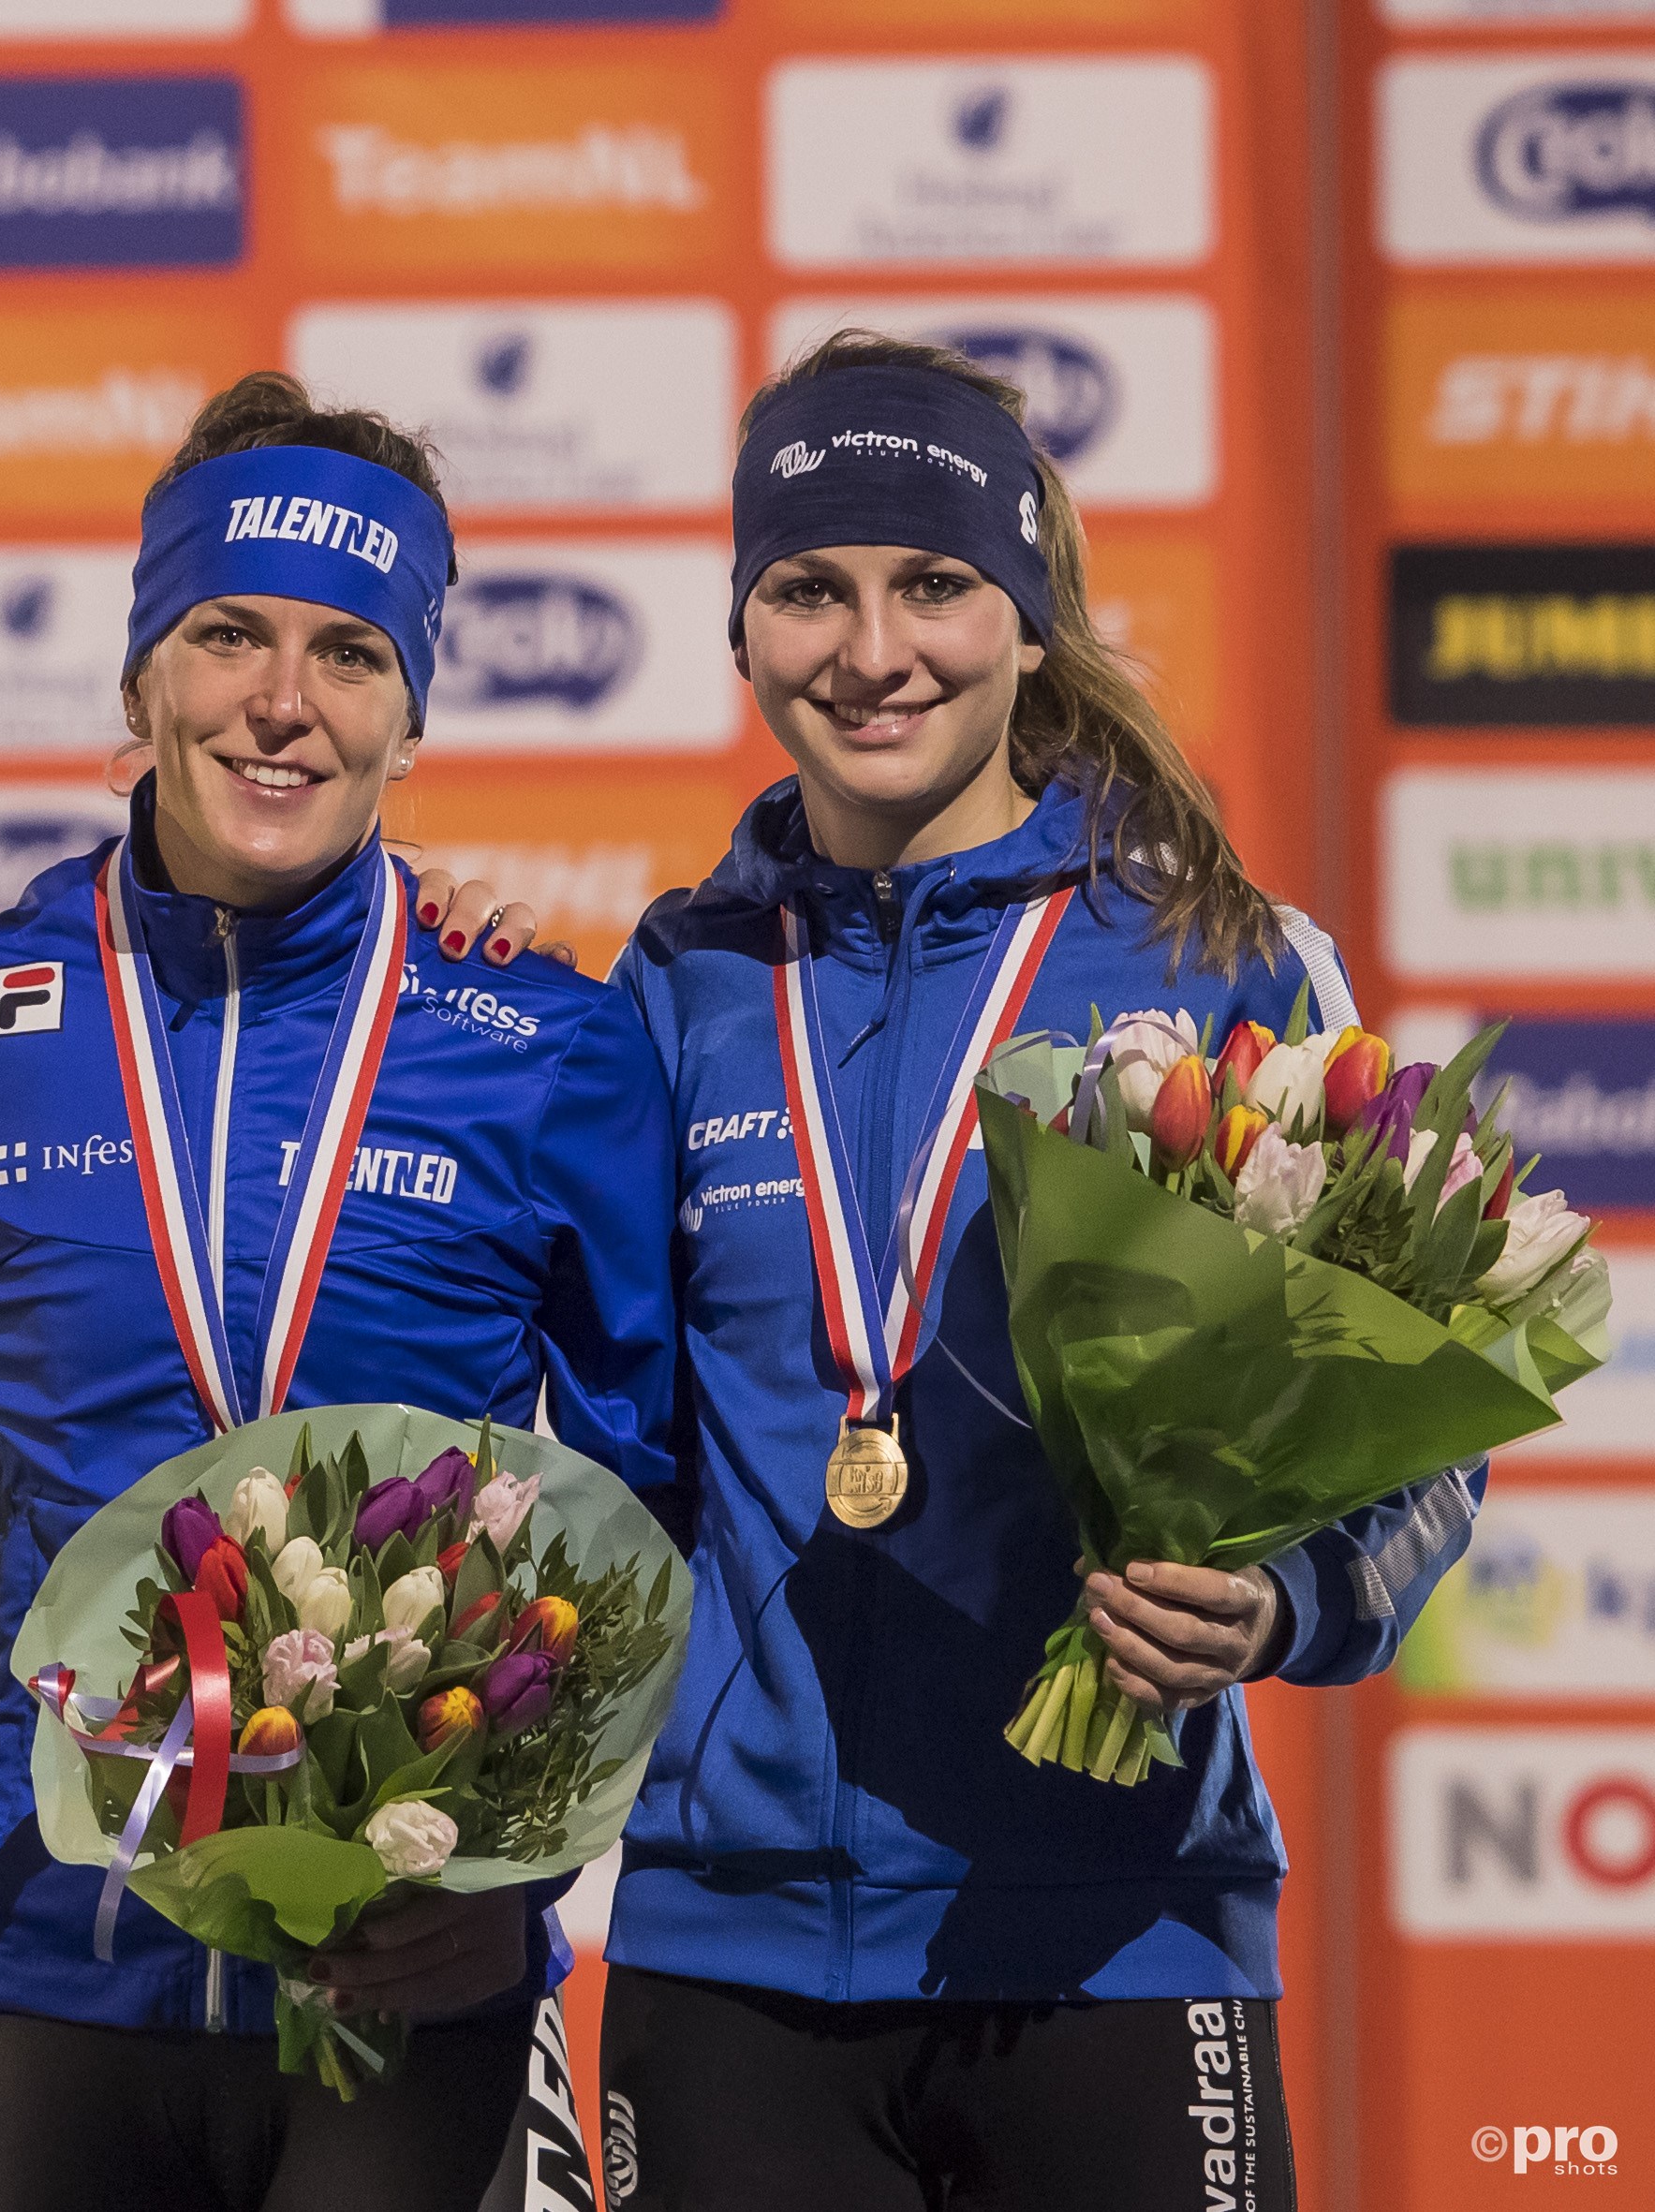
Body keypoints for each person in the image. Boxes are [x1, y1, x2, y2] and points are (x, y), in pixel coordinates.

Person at [594, 332, 1480, 2210]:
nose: (868, 648)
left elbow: (1416, 1428)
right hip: (730, 1952)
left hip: (1117, 1935)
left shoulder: (1229, 957)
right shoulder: (669, 991)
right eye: (805, 589)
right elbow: (603, 1444)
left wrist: (1277, 1602)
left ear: (1027, 615)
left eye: (930, 583)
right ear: (742, 629)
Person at [0, 373, 681, 2212]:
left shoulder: (540, 1042)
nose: (279, 701)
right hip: (49, 1959)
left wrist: (517, 1883)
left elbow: (659, 1512)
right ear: (140, 672)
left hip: (411, 1973)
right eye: (225, 632)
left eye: (347, 651)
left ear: (410, 710)